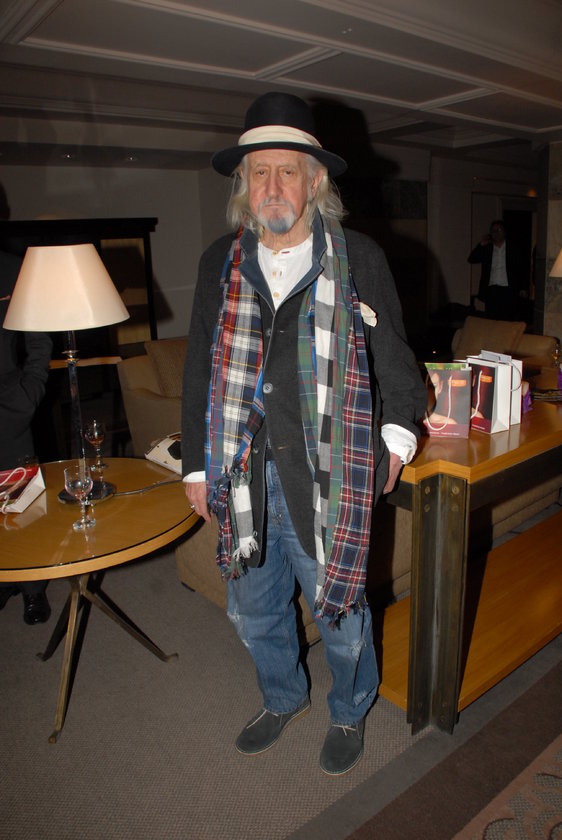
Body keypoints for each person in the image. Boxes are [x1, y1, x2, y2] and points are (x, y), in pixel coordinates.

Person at [181, 92, 427, 775]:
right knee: (252, 609)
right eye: (258, 172)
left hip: (328, 471)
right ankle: (283, 696)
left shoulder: (359, 257)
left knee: (341, 612)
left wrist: (395, 441)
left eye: (287, 171)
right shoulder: (219, 263)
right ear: (243, 184)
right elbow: (200, 367)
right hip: (243, 473)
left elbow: (395, 361)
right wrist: (198, 467)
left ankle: (349, 709)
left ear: (315, 180)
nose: (272, 186)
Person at [0, 247, 52, 624]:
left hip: (8, 398)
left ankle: (33, 587)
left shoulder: (12, 267)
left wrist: (29, 389)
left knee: (20, 497)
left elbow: (38, 336)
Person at [467, 219, 523, 319]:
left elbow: (520, 268)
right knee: (491, 318)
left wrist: (523, 287)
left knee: (507, 318)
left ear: (504, 232)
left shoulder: (513, 248)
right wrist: (481, 245)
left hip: (508, 289)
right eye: (493, 231)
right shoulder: (487, 248)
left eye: (499, 230)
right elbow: (471, 259)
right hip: (491, 289)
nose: (496, 233)